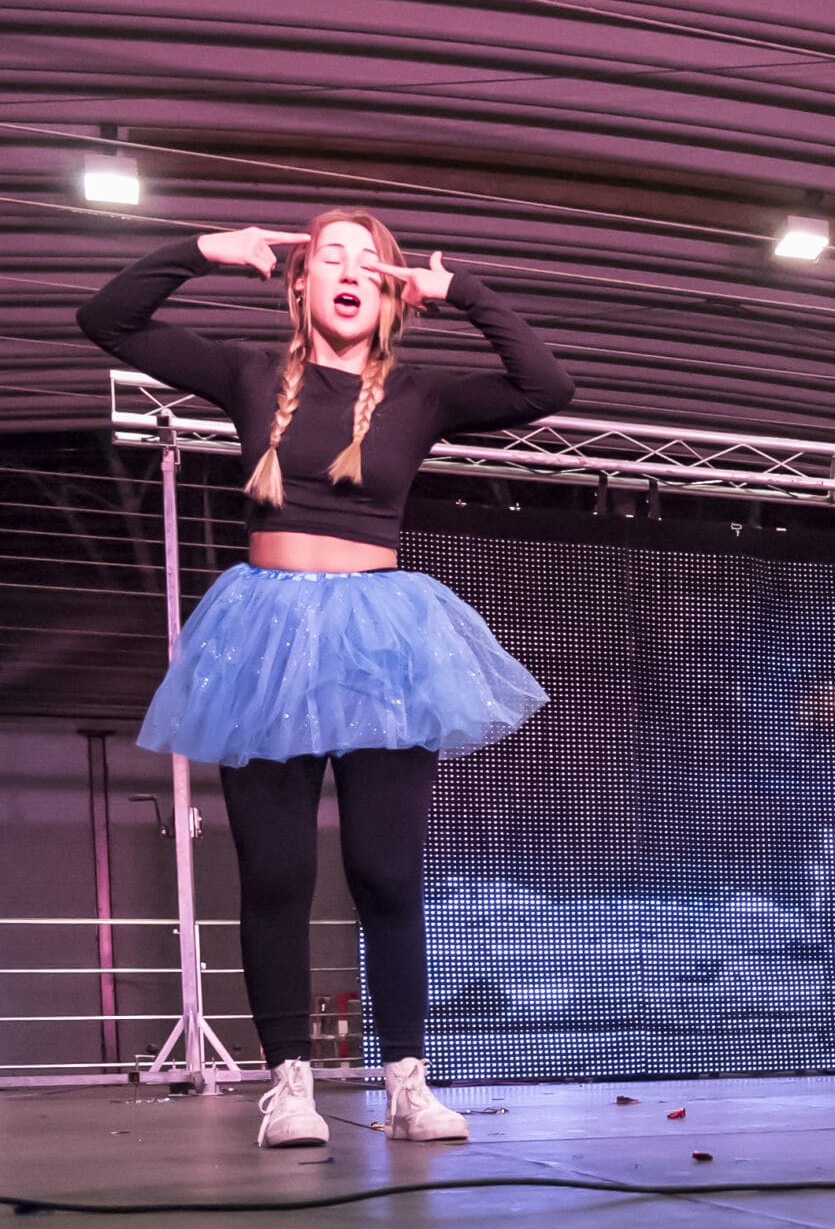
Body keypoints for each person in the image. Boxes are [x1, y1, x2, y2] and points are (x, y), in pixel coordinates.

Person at [79, 213, 574, 1147]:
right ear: (299, 283)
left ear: (390, 295)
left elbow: (546, 386)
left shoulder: (420, 395)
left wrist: (463, 292)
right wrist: (199, 252)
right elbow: (107, 320)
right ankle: (290, 1084)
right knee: (277, 871)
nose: (348, 271)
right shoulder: (248, 373)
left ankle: (407, 1084)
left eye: (368, 264)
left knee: (386, 871)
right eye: (329, 257)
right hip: (267, 635)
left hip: (381, 637)